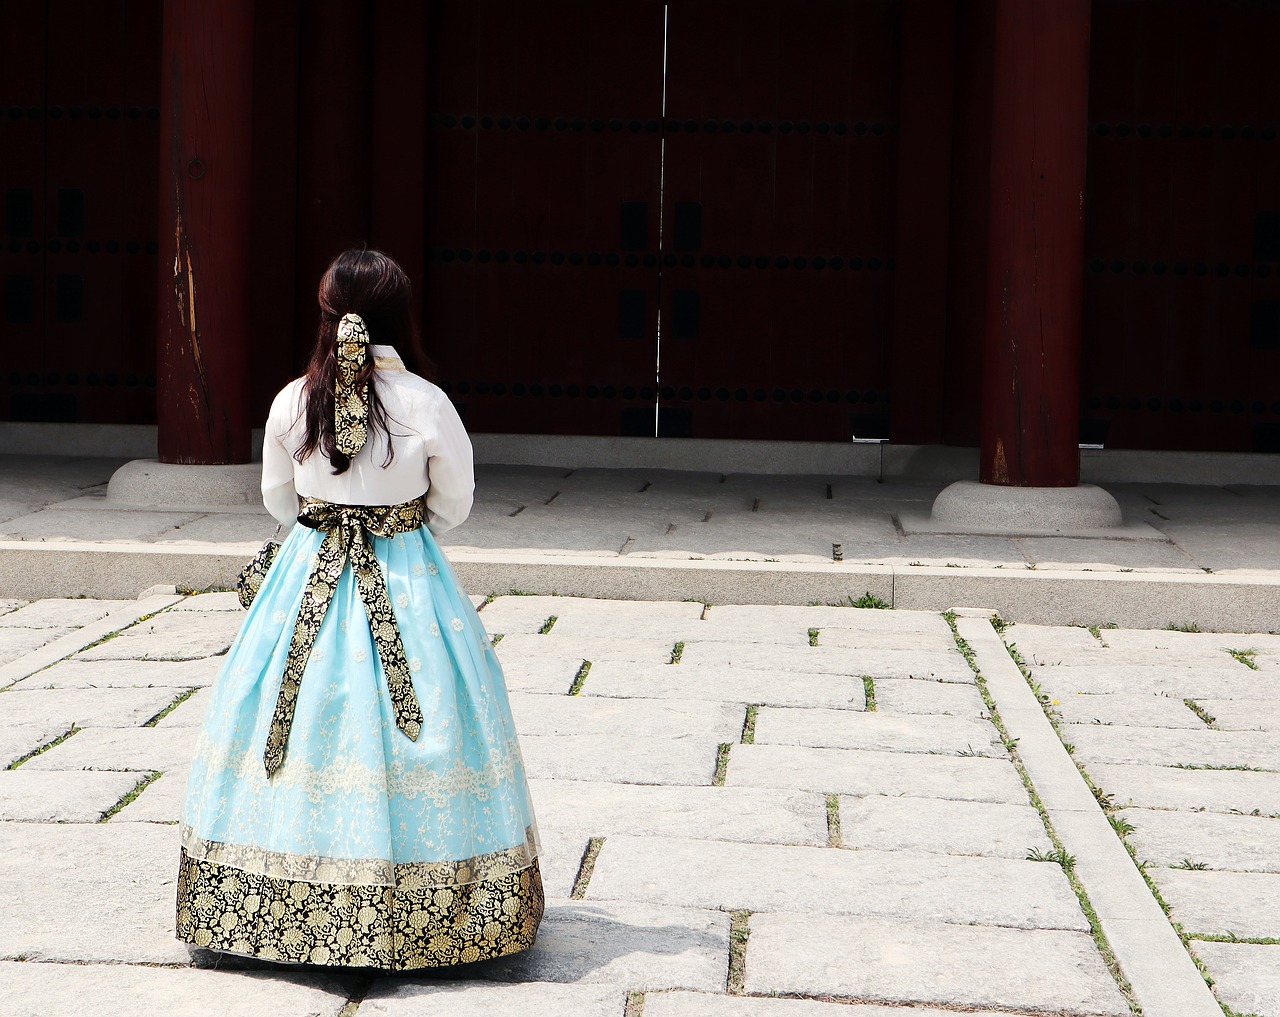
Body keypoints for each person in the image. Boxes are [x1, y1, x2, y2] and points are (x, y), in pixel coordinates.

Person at [175, 248, 544, 969]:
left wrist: (331, 514)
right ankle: (439, 912)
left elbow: (279, 501)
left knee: (295, 715)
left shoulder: (291, 400)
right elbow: (455, 504)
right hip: (406, 577)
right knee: (429, 712)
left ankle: (271, 898)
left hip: (306, 575)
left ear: (325, 314)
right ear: (400, 315)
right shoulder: (428, 403)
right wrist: (398, 524)